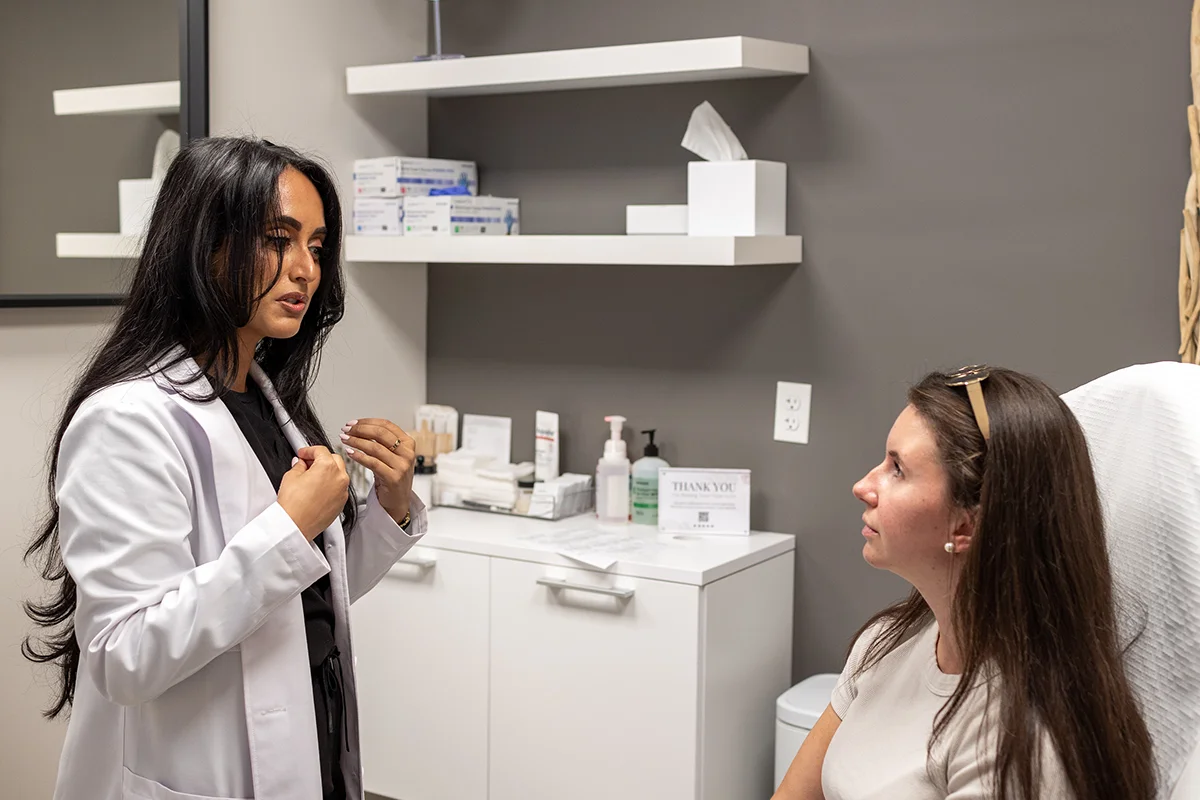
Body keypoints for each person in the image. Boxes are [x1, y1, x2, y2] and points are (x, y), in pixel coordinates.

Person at [22, 136, 427, 800]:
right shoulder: (127, 419)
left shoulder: (268, 402)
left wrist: (390, 506)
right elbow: (124, 655)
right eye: (279, 240)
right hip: (199, 770)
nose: (306, 269)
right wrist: (289, 530)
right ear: (205, 245)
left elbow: (299, 595)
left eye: (317, 247)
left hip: (315, 739)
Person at [773, 366, 1156, 800]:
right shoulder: (887, 642)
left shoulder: (1019, 745)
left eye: (897, 469)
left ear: (968, 525)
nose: (863, 486)